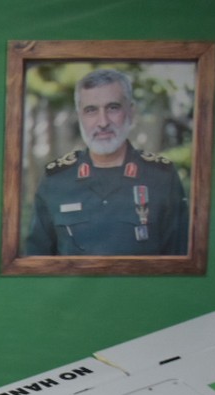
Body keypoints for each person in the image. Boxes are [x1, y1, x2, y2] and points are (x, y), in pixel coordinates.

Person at [23, 67, 188, 256]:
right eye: (91, 110)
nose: (103, 122)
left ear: (131, 112)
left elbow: (180, 259)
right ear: (80, 116)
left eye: (113, 108)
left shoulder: (161, 178)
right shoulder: (56, 181)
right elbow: (36, 261)